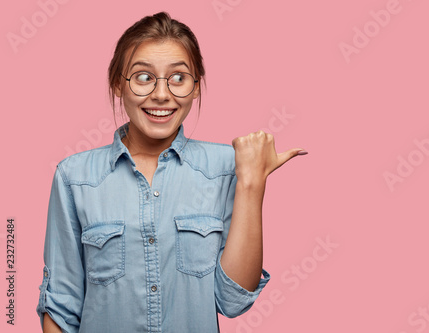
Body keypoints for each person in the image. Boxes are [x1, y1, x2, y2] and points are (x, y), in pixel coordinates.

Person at [36, 11, 307, 333]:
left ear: (195, 88)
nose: (162, 94)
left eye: (178, 78)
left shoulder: (227, 168)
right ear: (117, 85)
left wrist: (252, 183)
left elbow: (233, 301)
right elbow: (61, 306)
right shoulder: (75, 177)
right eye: (143, 77)